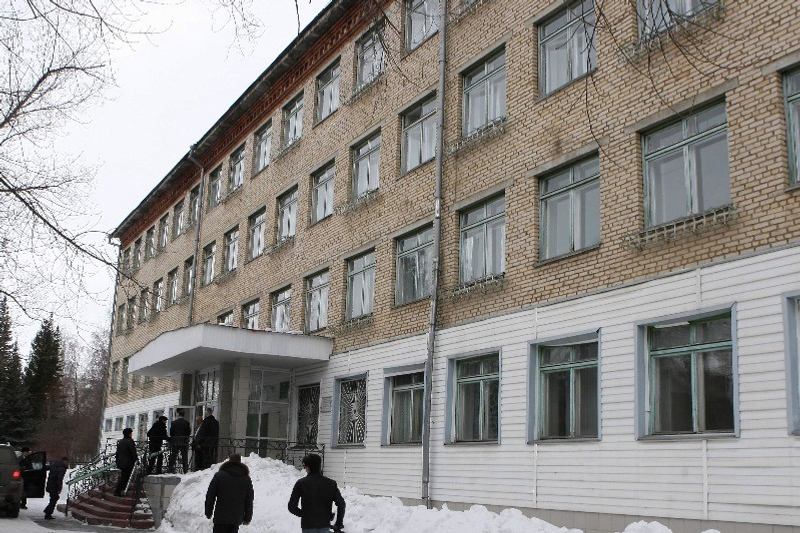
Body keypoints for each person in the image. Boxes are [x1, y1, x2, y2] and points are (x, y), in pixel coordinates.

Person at [288, 454, 345, 533]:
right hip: (324, 525)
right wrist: (338, 523)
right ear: (319, 466)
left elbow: (291, 506)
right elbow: (341, 504)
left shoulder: (301, 483)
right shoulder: (331, 483)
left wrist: (304, 514)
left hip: (308, 526)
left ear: (307, 467)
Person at [204, 454, 254, 533]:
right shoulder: (246, 478)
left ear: (229, 461)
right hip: (236, 518)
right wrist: (247, 518)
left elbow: (210, 495)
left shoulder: (219, 476)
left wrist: (208, 512)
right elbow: (249, 500)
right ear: (239, 462)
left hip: (221, 517)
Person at [114, 427, 139, 497]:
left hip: (121, 462)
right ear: (129, 434)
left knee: (123, 477)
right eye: (131, 433)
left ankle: (121, 490)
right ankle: (118, 491)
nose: (132, 434)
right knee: (125, 477)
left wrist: (117, 461)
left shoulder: (121, 441)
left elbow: (118, 453)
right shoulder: (130, 441)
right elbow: (133, 452)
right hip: (128, 463)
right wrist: (136, 459)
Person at [168, 408, 191, 474]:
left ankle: (171, 469)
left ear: (178, 414)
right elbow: (188, 432)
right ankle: (185, 470)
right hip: (183, 442)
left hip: (175, 442)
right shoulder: (186, 423)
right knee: (184, 457)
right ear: (184, 415)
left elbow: (171, 433)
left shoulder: (174, 423)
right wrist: (186, 438)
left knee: (173, 456)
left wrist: (173, 439)